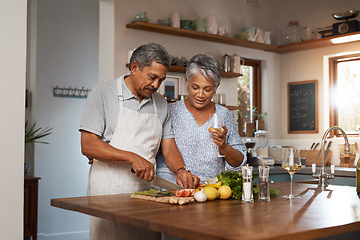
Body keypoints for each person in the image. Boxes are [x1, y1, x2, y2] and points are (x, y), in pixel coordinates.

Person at [79, 43, 200, 240]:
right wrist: (132, 158)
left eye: (160, 80)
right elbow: (88, 145)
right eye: (152, 77)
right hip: (107, 192)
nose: (155, 85)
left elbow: (168, 147)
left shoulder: (160, 103)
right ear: (134, 67)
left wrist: (181, 169)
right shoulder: (102, 93)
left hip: (146, 194)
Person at [156, 54, 247, 183]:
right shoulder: (170, 110)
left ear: (216, 87)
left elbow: (238, 162)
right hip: (171, 188)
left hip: (209, 191)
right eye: (195, 87)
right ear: (187, 82)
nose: (200, 94)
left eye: (207, 89)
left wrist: (224, 146)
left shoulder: (224, 114)